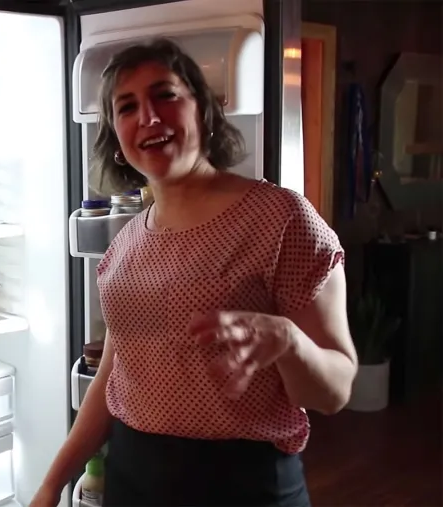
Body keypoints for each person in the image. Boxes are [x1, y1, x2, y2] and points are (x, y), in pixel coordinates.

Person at [30, 39, 357, 507]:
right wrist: (52, 482)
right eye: (127, 107)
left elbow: (336, 390)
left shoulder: (280, 219)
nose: (149, 117)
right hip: (133, 479)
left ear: (202, 111)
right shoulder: (124, 245)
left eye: (166, 95)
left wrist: (287, 339)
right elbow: (112, 378)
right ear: (118, 143)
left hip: (242, 485)